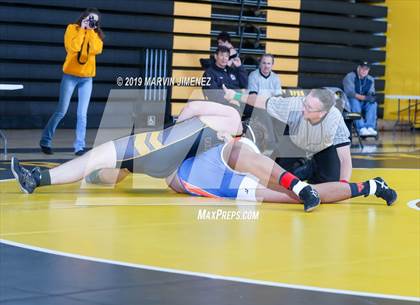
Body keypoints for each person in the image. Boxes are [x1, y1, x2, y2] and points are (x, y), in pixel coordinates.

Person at [11, 102, 396, 212]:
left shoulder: (233, 136)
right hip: (184, 160)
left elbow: (193, 117)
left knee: (100, 158)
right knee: (287, 190)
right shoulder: (230, 130)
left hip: (185, 162)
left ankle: (363, 186)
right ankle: (365, 186)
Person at [222, 86, 353, 184]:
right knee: (274, 181)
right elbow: (262, 101)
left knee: (329, 184)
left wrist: (344, 186)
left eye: (309, 108)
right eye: (305, 103)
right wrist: (235, 95)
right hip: (294, 141)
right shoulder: (294, 105)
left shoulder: (335, 119)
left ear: (322, 113)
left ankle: (310, 168)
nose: (303, 108)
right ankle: (299, 167)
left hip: (322, 148)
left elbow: (345, 158)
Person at [39, 8, 104, 156]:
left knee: (82, 114)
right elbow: (72, 47)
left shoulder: (96, 34)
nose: (92, 22)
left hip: (87, 78)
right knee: (61, 111)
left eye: (95, 21)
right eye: (90, 19)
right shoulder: (72, 29)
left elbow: (96, 49)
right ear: (84, 18)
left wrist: (91, 31)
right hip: (70, 76)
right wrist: (82, 29)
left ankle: (79, 147)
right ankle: (45, 141)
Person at [343, 61, 378, 137]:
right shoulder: (350, 76)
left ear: (368, 70)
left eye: (366, 69)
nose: (364, 71)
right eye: (362, 69)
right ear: (358, 68)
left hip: (362, 103)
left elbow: (371, 91)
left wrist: (371, 96)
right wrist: (365, 97)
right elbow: (350, 93)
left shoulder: (370, 79)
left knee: (373, 103)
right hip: (350, 104)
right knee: (354, 101)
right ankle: (361, 128)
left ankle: (370, 127)